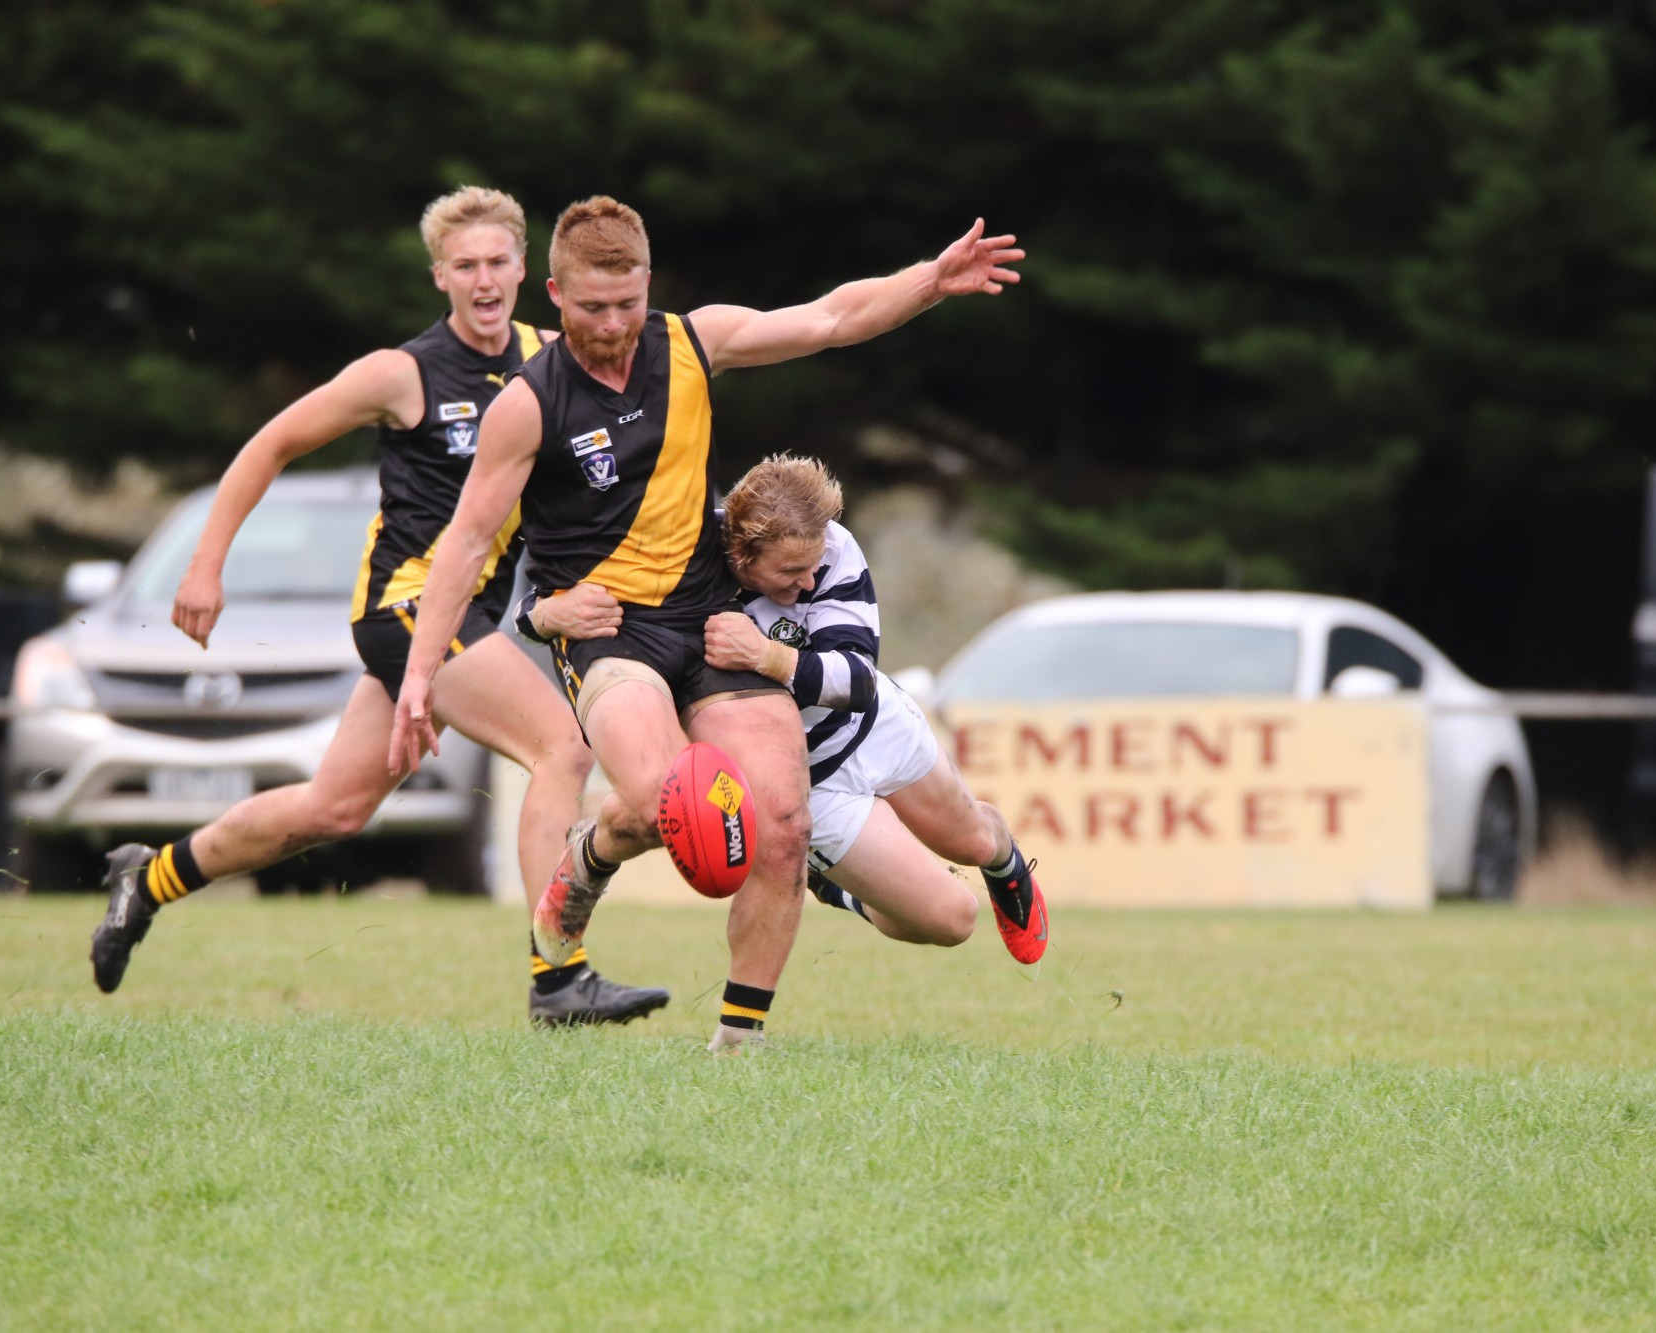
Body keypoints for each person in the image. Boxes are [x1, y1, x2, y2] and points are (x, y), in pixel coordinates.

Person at [388, 197, 1023, 1052]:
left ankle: (738, 1044)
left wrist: (929, 284)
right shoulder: (528, 404)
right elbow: (464, 544)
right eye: (588, 308)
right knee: (658, 806)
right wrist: (423, 674)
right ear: (556, 293)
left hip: (710, 616)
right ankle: (593, 853)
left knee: (784, 819)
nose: (611, 326)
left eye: (625, 304)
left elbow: (831, 318)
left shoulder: (689, 342)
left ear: (648, 285)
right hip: (611, 634)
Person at [88, 186, 669, 1028]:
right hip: (404, 609)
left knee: (333, 808)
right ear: (440, 276)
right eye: (464, 265)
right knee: (563, 752)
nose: (482, 279)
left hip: (462, 621)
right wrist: (206, 564)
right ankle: (558, 975)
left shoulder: (555, 357)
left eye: (497, 261)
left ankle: (150, 878)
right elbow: (271, 442)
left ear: (525, 269)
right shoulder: (402, 373)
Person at [544, 453, 1049, 960]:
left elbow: (857, 680)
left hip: (875, 727)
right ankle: (833, 889)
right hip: (811, 783)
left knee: (975, 843)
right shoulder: (681, 567)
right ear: (741, 554)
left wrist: (767, 656)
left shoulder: (830, 545)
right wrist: (542, 613)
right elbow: (566, 595)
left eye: (812, 567)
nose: (808, 582)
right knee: (951, 919)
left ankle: (1004, 859)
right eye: (790, 570)